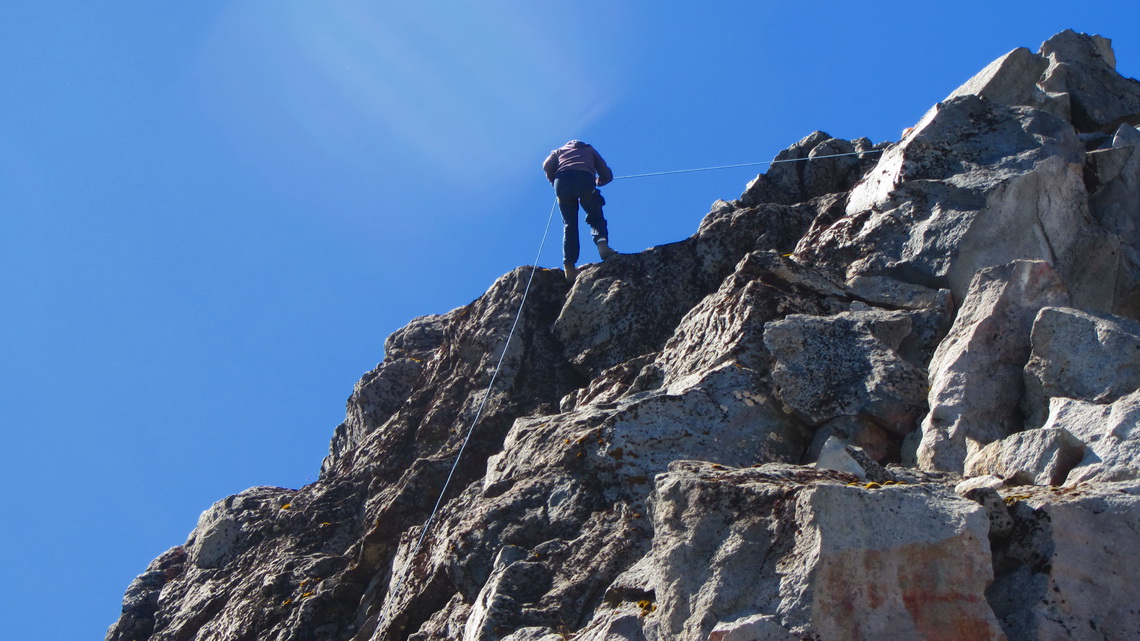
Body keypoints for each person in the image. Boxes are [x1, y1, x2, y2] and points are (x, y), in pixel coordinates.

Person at [543, 140, 617, 282]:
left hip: (561, 181)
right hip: (584, 178)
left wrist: (553, 180)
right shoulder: (589, 149)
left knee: (569, 224)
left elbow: (546, 165)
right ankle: (602, 244)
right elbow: (606, 174)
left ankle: (569, 265)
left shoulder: (559, 151)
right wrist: (597, 181)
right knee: (595, 215)